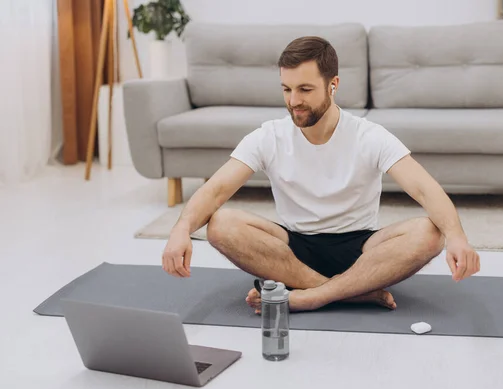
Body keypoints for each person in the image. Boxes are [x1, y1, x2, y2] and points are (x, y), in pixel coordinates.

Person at [162, 36, 480, 313]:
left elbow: (425, 189)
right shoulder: (269, 136)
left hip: (362, 250)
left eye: (305, 89)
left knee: (432, 232)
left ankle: (312, 297)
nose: (293, 101)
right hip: (292, 250)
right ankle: (348, 293)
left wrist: (458, 238)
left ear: (333, 85)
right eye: (286, 89)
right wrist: (181, 230)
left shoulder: (369, 135)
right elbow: (216, 189)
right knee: (220, 224)